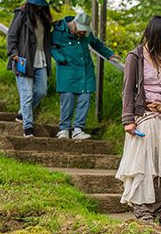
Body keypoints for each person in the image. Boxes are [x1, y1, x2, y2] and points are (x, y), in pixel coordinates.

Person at [115, 16, 161, 227]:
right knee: (143, 166)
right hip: (145, 117)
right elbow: (128, 90)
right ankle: (142, 210)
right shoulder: (135, 57)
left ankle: (156, 210)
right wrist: (128, 120)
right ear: (157, 35)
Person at [51, 12, 120, 140]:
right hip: (67, 70)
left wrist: (109, 54)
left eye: (85, 31)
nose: (83, 33)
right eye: (81, 30)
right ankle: (64, 129)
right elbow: (52, 46)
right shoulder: (59, 31)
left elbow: (96, 44)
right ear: (74, 24)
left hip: (85, 71)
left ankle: (78, 129)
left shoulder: (86, 34)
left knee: (85, 99)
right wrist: (60, 58)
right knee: (68, 100)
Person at [6, 0, 53, 138]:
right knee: (26, 95)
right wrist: (14, 55)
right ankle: (28, 128)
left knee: (41, 91)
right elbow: (11, 36)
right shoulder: (21, 14)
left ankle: (22, 113)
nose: (40, 6)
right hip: (24, 60)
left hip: (41, 59)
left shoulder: (44, 17)